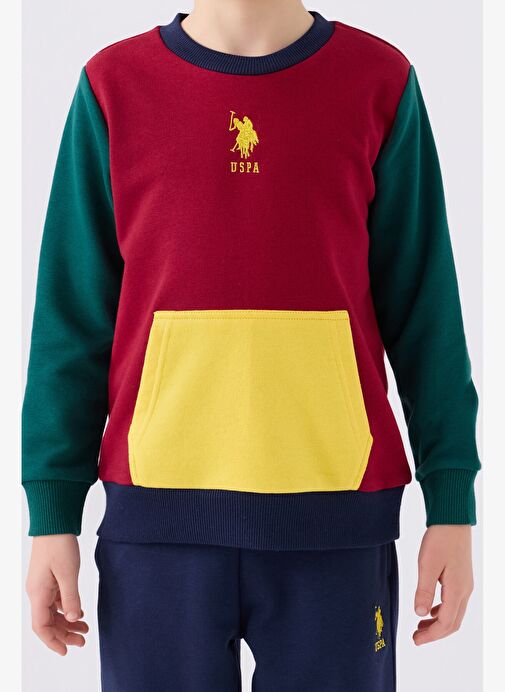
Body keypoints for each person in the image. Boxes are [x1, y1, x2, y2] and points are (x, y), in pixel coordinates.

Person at [23, 1, 480, 690]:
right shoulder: (115, 85)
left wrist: (452, 503)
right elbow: (71, 317)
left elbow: (426, 311)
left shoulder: (378, 80)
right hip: (156, 526)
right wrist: (51, 513)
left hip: (336, 523)